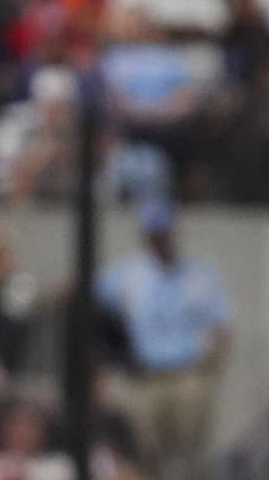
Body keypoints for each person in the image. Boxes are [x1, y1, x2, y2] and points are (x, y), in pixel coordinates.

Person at [95, 201, 231, 480]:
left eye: (164, 233)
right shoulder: (129, 274)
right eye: (154, 235)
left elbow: (221, 325)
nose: (160, 241)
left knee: (191, 458)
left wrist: (211, 372)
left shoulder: (197, 275)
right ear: (146, 238)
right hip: (145, 377)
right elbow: (93, 301)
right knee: (145, 451)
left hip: (187, 374)